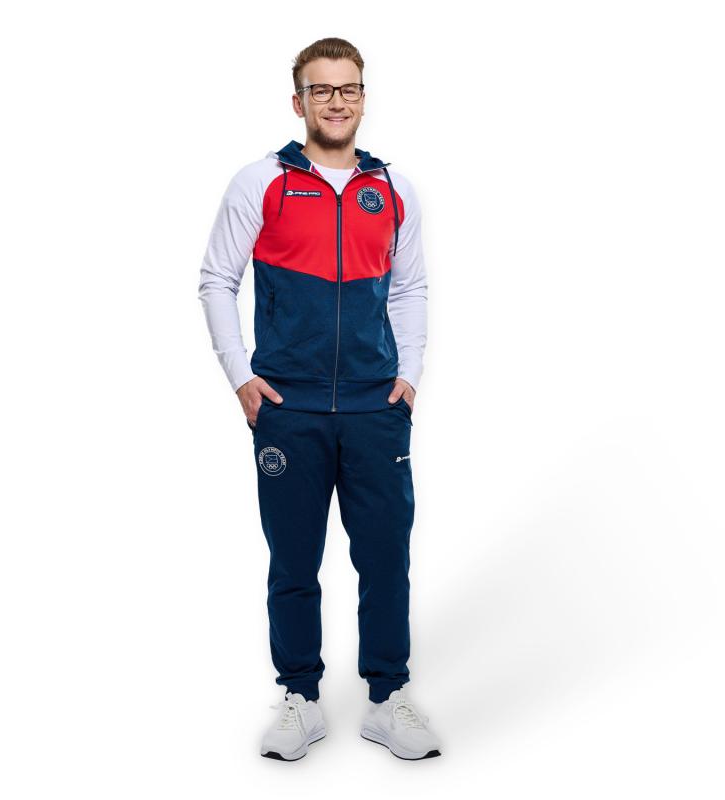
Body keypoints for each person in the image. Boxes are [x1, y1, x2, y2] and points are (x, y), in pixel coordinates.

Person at [198, 37, 441, 761]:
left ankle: (387, 698)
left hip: (374, 408)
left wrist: (409, 377)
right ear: (298, 101)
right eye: (322, 89)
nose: (337, 101)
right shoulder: (261, 182)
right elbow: (217, 280)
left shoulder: (392, 189)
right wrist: (241, 377)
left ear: (363, 97)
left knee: (385, 559)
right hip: (289, 408)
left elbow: (410, 287)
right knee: (294, 561)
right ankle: (300, 698)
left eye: (349, 88)